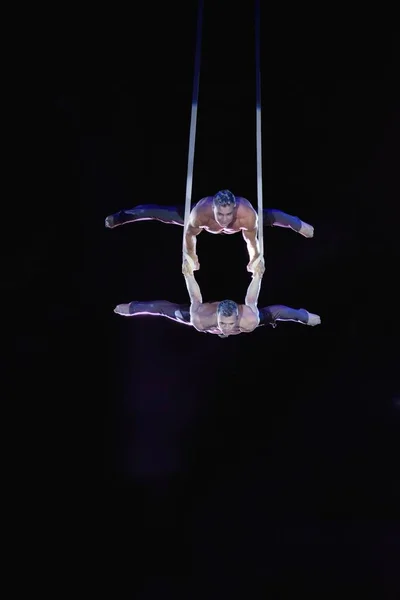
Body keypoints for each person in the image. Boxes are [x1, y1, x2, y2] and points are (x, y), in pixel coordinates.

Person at [105, 190, 314, 274]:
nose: (224, 220)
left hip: (242, 225)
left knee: (276, 217)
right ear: (213, 208)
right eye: (220, 214)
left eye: (228, 214)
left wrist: (255, 259)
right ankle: (121, 217)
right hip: (203, 223)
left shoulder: (246, 215)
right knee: (156, 212)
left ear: (235, 209)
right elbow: (189, 235)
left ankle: (301, 225)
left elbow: (251, 240)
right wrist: (191, 256)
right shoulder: (200, 214)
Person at [114, 259, 321, 337]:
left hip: (247, 316)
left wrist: (257, 274)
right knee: (161, 309)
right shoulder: (201, 318)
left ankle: (304, 316)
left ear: (238, 318)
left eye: (230, 324)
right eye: (224, 323)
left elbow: (251, 301)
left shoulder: (249, 320)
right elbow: (195, 299)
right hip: (203, 317)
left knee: (279, 312)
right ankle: (133, 308)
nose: (227, 329)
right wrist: (188, 274)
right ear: (217, 315)